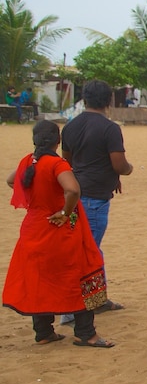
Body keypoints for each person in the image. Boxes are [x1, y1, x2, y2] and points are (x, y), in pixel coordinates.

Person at [3, 120, 115, 348]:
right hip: (58, 228)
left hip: (33, 227)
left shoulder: (28, 161)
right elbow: (73, 189)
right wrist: (65, 211)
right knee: (80, 272)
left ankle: (44, 332)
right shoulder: (57, 164)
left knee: (40, 277)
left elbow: (10, 181)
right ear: (58, 141)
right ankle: (86, 333)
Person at [60, 79, 133, 315]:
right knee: (89, 250)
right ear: (108, 100)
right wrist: (126, 170)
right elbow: (119, 163)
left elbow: (68, 162)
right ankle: (84, 304)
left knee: (84, 247)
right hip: (94, 198)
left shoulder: (71, 127)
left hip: (76, 195)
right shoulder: (109, 128)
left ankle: (96, 298)